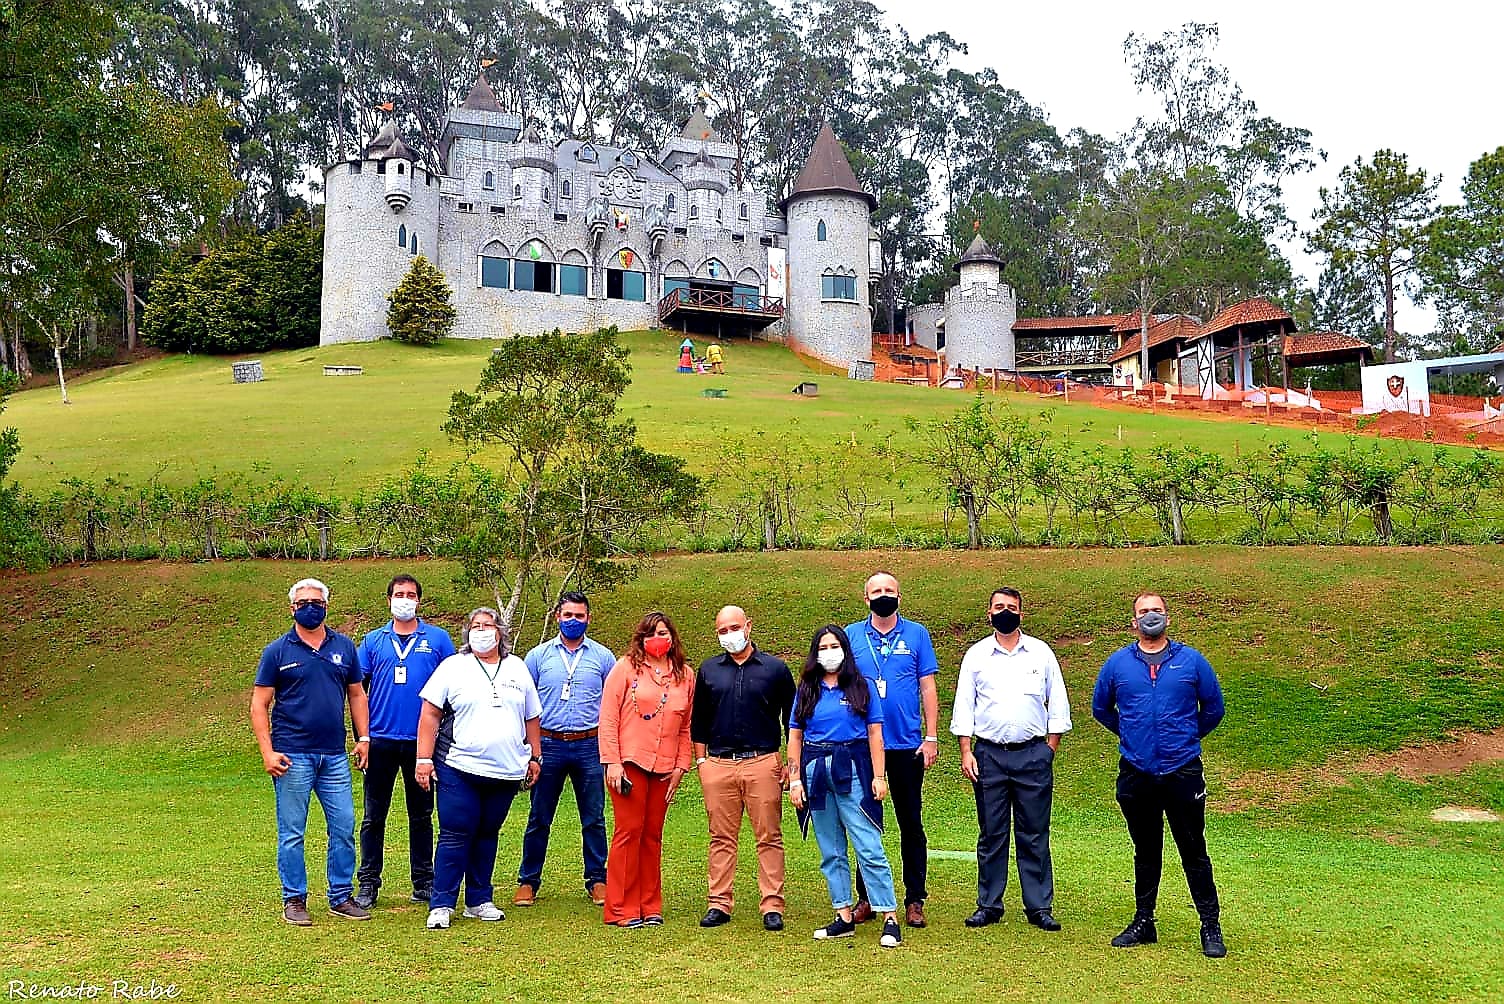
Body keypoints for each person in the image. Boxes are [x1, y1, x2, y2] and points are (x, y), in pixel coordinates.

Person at [1091, 592, 1227, 958]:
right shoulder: (1118, 664)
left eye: (1157, 611)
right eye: (1143, 612)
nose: (1150, 616)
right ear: (1133, 622)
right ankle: (1144, 921)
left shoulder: (1191, 662)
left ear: (1168, 617)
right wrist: (1131, 734)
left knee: (1193, 850)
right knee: (1146, 851)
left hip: (1182, 771)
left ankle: (1210, 925)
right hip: (1137, 773)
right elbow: (1101, 709)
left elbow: (1213, 708)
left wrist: (1186, 735)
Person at [250, 577, 372, 925]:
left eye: (315, 602)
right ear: (292, 608)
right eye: (302, 602)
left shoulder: (344, 647)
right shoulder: (277, 651)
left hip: (334, 755)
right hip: (292, 754)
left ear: (326, 606)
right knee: (293, 832)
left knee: (344, 826)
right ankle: (294, 899)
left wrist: (364, 739)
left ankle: (340, 895)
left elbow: (357, 695)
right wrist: (267, 752)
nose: (309, 607)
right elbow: (260, 704)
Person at [951, 587, 1071, 931]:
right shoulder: (976, 656)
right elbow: (964, 706)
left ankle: (1038, 907)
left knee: (1034, 833)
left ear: (1022, 613)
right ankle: (989, 904)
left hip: (1033, 754)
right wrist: (965, 750)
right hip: (988, 755)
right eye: (999, 607)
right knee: (992, 834)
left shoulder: (1040, 654)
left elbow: (1058, 703)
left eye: (1012, 607)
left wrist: (1050, 748)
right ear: (989, 614)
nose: (1006, 612)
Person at [415, 608, 542, 930]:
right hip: (460, 765)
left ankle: (478, 900)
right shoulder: (453, 667)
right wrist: (423, 758)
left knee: (487, 834)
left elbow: (531, 716)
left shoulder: (517, 667)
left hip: (506, 770)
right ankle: (442, 903)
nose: (481, 631)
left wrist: (536, 757)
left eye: (487, 625)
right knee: (456, 832)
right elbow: (430, 714)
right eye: (475, 626)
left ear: (500, 632)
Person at [788, 626, 901, 949]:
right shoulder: (807, 690)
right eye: (823, 646)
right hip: (815, 772)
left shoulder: (860, 687)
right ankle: (843, 915)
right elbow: (795, 736)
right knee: (831, 849)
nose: (829, 651)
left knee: (868, 846)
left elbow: (876, 734)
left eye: (834, 645)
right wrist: (795, 779)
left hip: (853, 768)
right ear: (815, 653)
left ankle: (889, 917)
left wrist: (879, 777)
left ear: (845, 649)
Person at [353, 574, 456, 910]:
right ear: (388, 600)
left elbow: (452, 690)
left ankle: (423, 882)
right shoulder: (372, 641)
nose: (405, 599)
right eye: (399, 594)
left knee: (422, 815)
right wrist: (363, 738)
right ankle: (368, 882)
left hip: (421, 746)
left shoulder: (438, 640)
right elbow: (356, 692)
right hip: (381, 741)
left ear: (419, 601)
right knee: (373, 816)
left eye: (411, 594)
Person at [690, 605, 795, 932]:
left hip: (762, 763)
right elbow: (699, 722)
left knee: (769, 836)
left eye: (734, 627)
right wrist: (702, 762)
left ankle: (772, 905)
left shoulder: (775, 670)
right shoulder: (708, 670)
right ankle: (719, 902)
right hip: (718, 764)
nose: (729, 635)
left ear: (748, 626)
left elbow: (793, 722)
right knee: (721, 837)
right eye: (722, 630)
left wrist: (792, 764)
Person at [844, 571, 939, 928]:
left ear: (900, 596)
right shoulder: (852, 636)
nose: (883, 595)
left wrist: (931, 737)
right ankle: (867, 897)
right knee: (865, 822)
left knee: (910, 823)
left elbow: (927, 687)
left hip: (906, 746)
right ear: (865, 599)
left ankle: (915, 899)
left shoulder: (916, 634)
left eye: (889, 590)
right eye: (876, 591)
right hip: (865, 746)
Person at [515, 591, 616, 908]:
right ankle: (528, 881)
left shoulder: (602, 657)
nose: (574, 621)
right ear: (557, 616)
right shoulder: (538, 656)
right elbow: (524, 704)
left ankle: (597, 879)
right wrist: (529, 749)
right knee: (539, 817)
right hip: (548, 744)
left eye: (580, 616)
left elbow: (614, 705)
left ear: (589, 618)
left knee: (593, 818)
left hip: (589, 744)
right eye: (568, 615)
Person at [598, 611, 695, 928]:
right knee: (628, 833)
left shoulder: (685, 675)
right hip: (629, 764)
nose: (659, 639)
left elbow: (686, 727)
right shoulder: (625, 668)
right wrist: (612, 761)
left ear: (673, 638)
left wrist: (682, 765)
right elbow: (609, 717)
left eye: (664, 632)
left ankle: (649, 904)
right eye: (652, 633)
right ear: (641, 638)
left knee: (652, 836)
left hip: (665, 766)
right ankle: (621, 908)